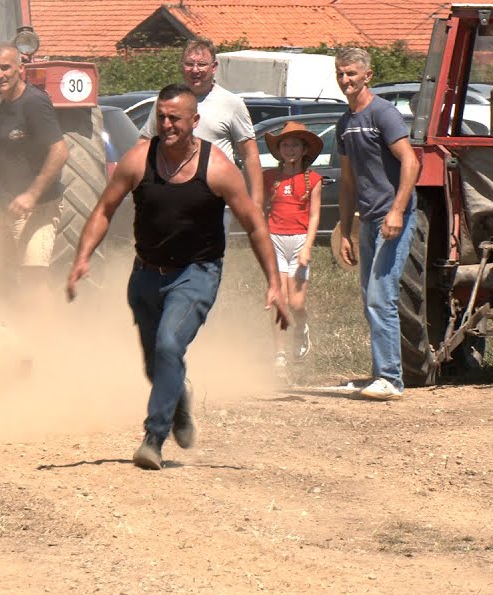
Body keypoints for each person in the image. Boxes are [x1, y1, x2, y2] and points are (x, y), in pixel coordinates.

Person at [68, 84, 290, 470]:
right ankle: (178, 402)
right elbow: (104, 209)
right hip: (145, 275)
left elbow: (255, 225)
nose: (167, 125)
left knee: (169, 345)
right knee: (155, 365)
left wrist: (273, 282)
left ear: (195, 121)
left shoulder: (217, 167)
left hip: (196, 273)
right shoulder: (139, 160)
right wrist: (82, 257)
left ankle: (153, 439)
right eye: (161, 117)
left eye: (175, 118)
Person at [334, 47, 420, 401]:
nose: (345, 80)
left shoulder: (383, 113)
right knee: (369, 296)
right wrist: (344, 231)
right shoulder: (345, 123)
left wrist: (397, 211)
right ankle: (379, 374)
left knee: (380, 295)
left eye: (351, 73)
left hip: (393, 217)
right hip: (368, 218)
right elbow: (347, 181)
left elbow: (411, 163)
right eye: (340, 74)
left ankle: (391, 379)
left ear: (367, 75)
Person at [0, 43, 69, 294]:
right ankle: (5, 313)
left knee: (33, 278)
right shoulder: (5, 104)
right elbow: (5, 145)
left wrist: (32, 194)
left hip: (37, 207)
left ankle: (45, 319)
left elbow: (60, 151)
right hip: (6, 204)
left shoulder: (34, 103)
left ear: (21, 69)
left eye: (5, 68)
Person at [138, 39, 264, 211]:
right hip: (171, 197)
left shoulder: (232, 104)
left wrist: (256, 203)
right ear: (182, 66)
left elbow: (250, 155)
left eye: (202, 64)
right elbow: (144, 144)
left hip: (217, 202)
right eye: (189, 64)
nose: (195, 70)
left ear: (214, 67)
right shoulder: (167, 100)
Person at [262, 122, 323, 374]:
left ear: (304, 149)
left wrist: (307, 247)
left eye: (295, 145)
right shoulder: (269, 177)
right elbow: (259, 206)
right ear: (279, 150)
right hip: (275, 240)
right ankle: (279, 353)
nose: (290, 149)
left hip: (299, 242)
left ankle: (301, 327)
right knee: (281, 301)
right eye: (285, 145)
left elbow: (314, 216)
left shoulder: (314, 179)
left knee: (296, 304)